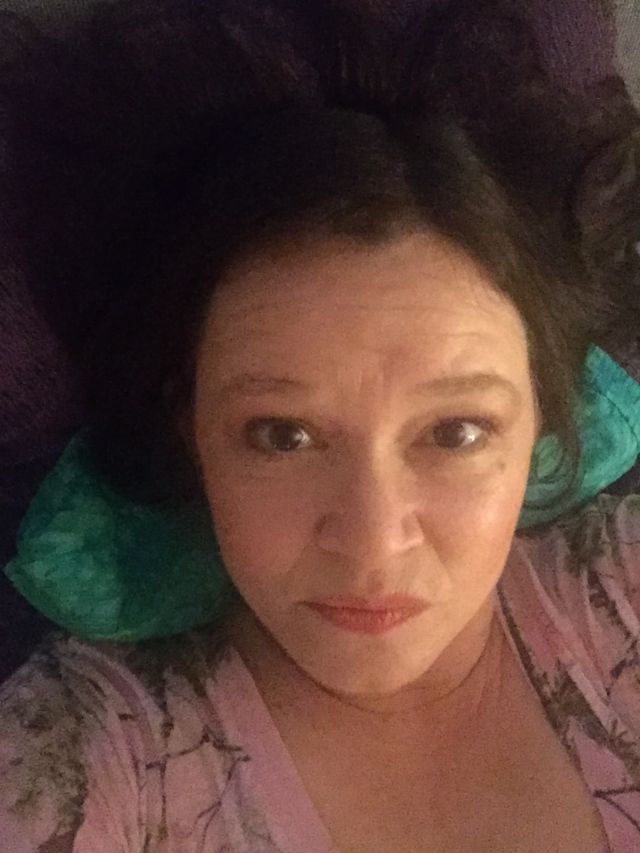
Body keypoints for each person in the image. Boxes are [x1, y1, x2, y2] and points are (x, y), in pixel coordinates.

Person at [1, 1, 640, 850]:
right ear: (189, 428)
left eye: (455, 432)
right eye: (282, 435)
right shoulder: (86, 755)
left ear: (545, 426)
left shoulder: (623, 591)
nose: (372, 543)